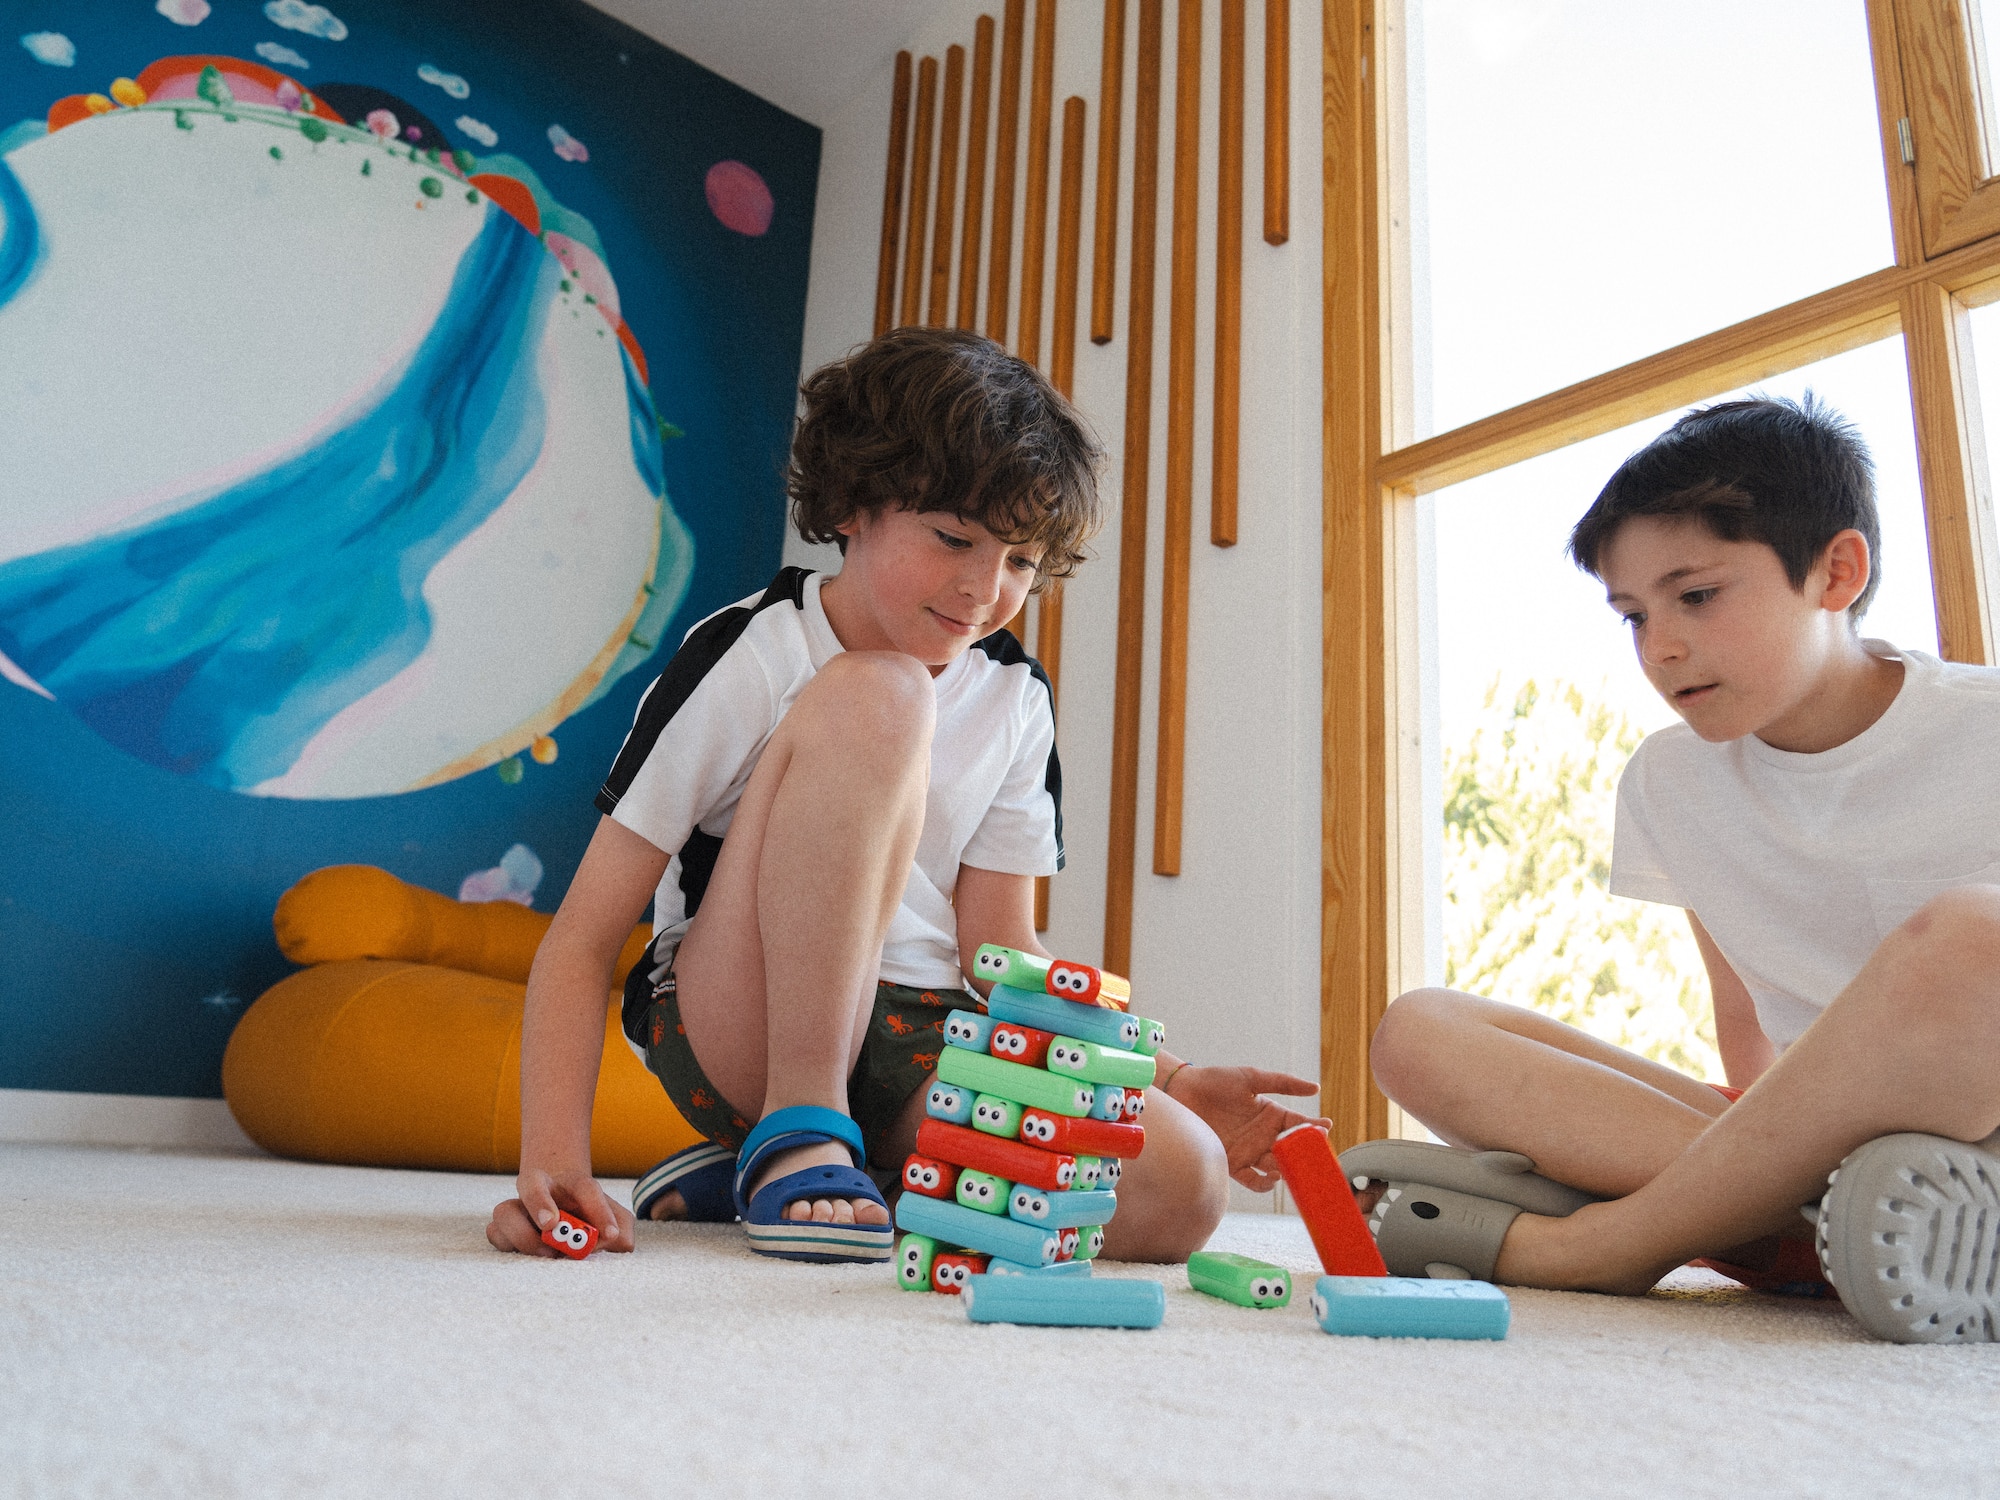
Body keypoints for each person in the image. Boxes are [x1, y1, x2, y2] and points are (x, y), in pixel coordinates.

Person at [486, 327, 1327, 1265]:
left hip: (922, 1029)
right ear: (853, 506)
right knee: (884, 692)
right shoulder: (752, 651)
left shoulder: (1015, 696)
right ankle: (798, 1121)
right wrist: (553, 1160)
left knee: (1182, 1186)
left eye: (1020, 561)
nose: (984, 589)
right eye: (955, 539)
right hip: (738, 1017)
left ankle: (832, 1172)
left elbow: (1002, 953)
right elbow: (586, 934)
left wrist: (1166, 1078)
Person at [1358, 395, 2000, 1343]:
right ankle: (1822, 1226)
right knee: (1419, 1029)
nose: (1659, 647)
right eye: (1632, 615)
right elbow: (1746, 1020)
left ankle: (1604, 1244)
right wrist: (1756, 1156)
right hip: (1800, 1141)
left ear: (1837, 571)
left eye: (1696, 596)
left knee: (1973, 938)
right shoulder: (1668, 780)